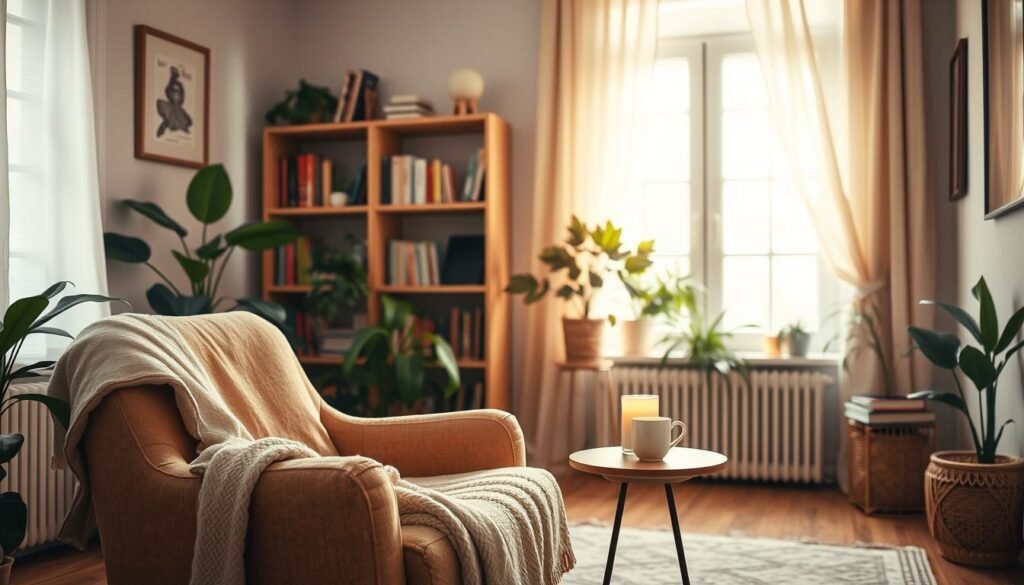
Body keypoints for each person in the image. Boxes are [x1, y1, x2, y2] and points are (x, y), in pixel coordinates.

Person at [156, 66, 193, 137]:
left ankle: (175, 125)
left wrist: (178, 97)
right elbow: (167, 91)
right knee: (169, 117)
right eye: (173, 74)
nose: (174, 76)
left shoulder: (179, 85)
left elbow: (181, 95)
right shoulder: (170, 85)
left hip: (177, 106)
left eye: (175, 75)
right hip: (171, 105)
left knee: (178, 117)